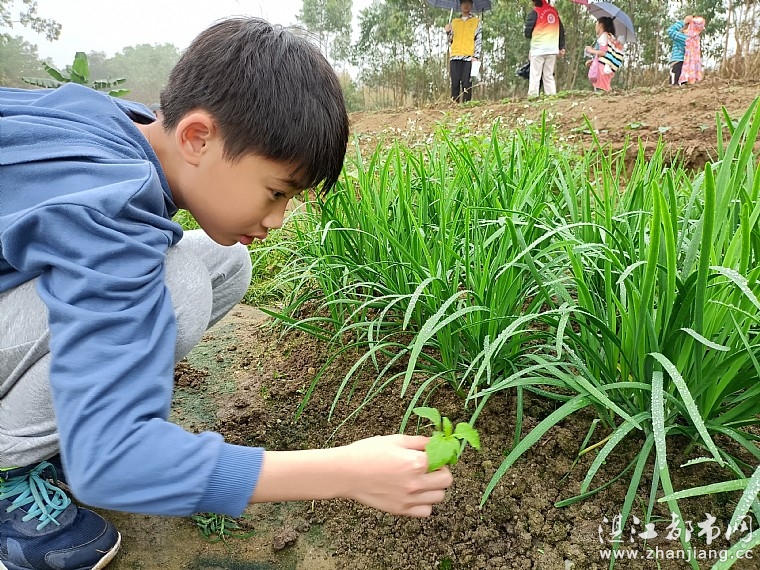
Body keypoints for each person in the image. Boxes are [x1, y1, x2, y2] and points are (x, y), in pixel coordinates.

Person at [0, 17, 454, 570]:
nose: (278, 219)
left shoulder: (118, 125)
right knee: (177, 284)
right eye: (276, 191)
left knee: (222, 262)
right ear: (197, 138)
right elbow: (111, 463)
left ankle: (57, 427)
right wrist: (346, 472)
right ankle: (7, 469)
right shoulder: (108, 214)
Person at [524, 0, 566, 98]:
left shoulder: (535, 12)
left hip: (538, 49)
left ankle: (533, 97)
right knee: (548, 75)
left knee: (535, 75)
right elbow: (561, 30)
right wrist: (561, 47)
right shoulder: (554, 12)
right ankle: (552, 97)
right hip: (552, 49)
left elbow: (527, 33)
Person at [444, 0, 482, 104]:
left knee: (467, 84)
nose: (466, 5)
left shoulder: (476, 22)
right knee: (455, 83)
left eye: (468, 3)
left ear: (471, 5)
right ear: (460, 5)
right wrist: (447, 32)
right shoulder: (454, 22)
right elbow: (450, 40)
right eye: (464, 3)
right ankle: (454, 106)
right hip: (455, 56)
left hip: (469, 57)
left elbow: (478, 40)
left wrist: (476, 56)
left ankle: (466, 106)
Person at [667, 15, 705, 86]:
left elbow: (670, 31)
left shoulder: (685, 38)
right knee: (683, 85)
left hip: (678, 62)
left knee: (674, 85)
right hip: (688, 66)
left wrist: (683, 22)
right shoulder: (695, 39)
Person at [584, 16, 619, 93]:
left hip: (602, 70)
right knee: (604, 88)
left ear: (601, 25)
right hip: (607, 67)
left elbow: (603, 52)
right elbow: (607, 55)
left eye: (596, 24)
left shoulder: (603, 36)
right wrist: (593, 61)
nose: (595, 27)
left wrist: (591, 50)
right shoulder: (611, 37)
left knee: (600, 90)